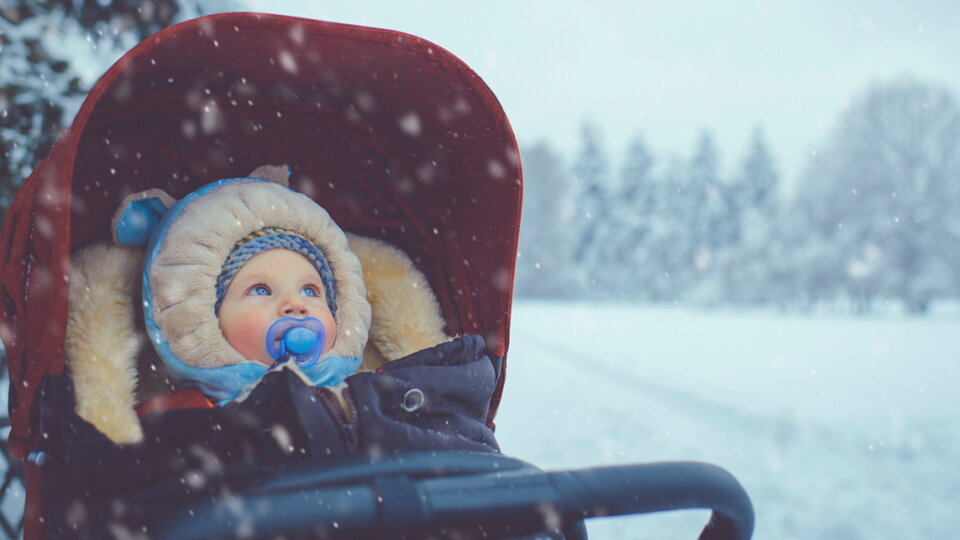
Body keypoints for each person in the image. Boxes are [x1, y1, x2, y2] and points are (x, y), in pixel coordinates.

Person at [65, 165, 499, 458]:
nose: (296, 303)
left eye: (312, 289)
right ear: (204, 320)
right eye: (259, 289)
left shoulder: (378, 394)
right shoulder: (178, 419)